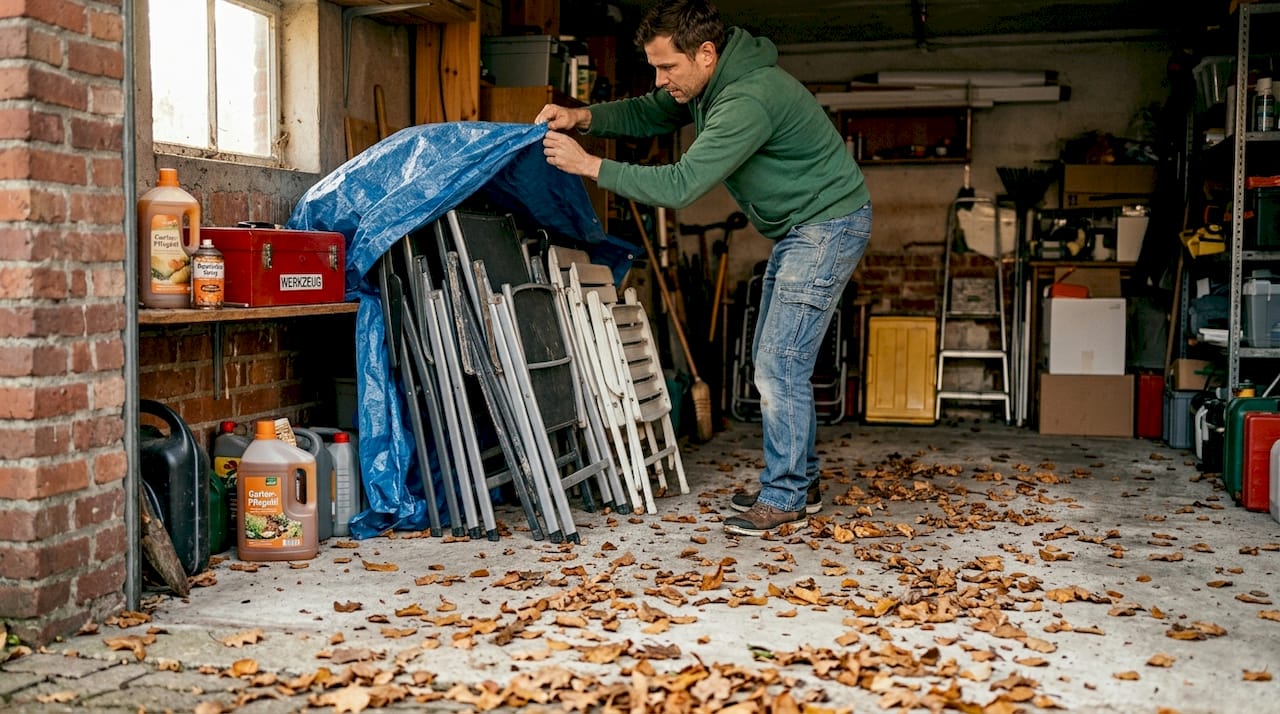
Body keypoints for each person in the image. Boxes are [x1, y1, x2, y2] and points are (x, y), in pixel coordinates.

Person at [536, 0, 871, 537]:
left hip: (827, 225)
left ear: (706, 54)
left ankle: (785, 494)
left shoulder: (746, 99)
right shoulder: (707, 85)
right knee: (777, 360)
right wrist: (581, 117)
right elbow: (647, 112)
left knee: (778, 362)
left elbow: (681, 185)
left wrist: (589, 164)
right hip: (803, 227)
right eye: (654, 67)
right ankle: (799, 481)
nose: (660, 79)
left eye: (668, 67)